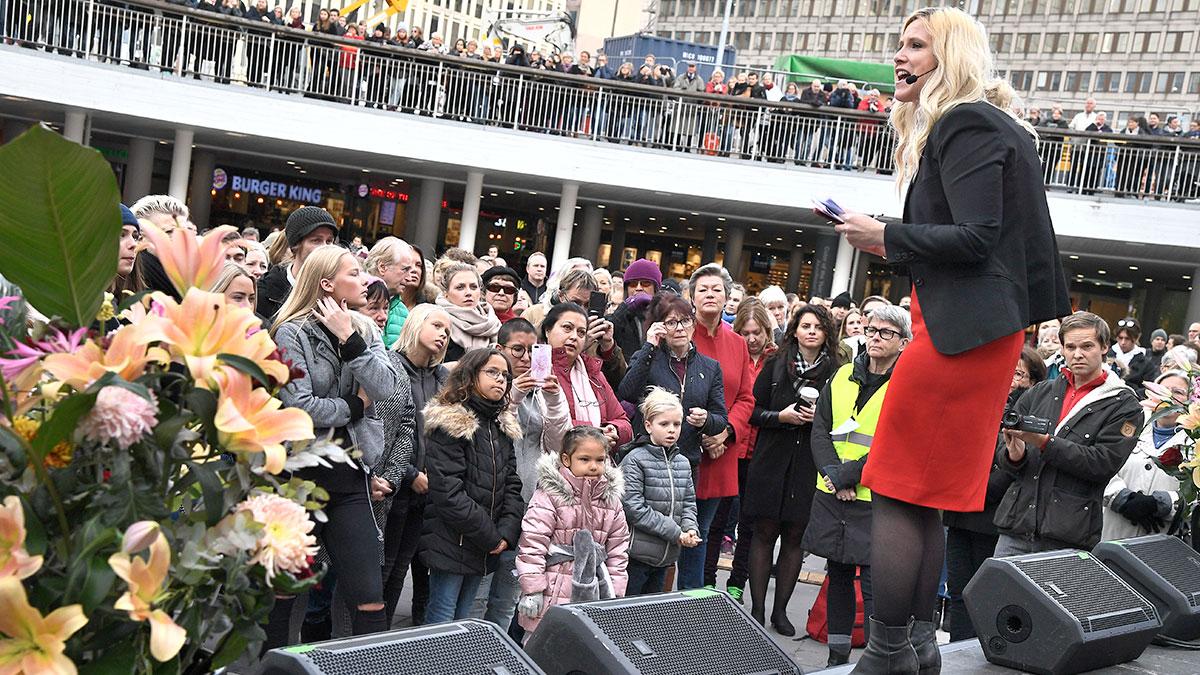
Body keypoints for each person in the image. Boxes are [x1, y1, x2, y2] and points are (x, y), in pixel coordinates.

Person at [833, 8, 1071, 671]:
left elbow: (976, 236)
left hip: (960, 337)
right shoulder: (994, 124)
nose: (899, 56)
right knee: (927, 496)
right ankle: (914, 647)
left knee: (894, 485)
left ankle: (886, 652)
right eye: (899, 44)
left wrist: (883, 234)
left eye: (916, 45)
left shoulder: (964, 121)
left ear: (951, 56)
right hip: (976, 333)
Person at [268, 246, 400, 645]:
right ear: (327, 284)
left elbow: (388, 389)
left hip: (350, 476)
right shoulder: (290, 331)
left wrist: (350, 339)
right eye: (355, 273)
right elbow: (301, 408)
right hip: (297, 478)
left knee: (369, 596)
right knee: (283, 593)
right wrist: (357, 405)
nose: (366, 281)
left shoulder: (365, 329)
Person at [805, 306, 910, 666]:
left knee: (874, 582)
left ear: (903, 343)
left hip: (874, 496)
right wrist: (835, 476)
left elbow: (898, 444)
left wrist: (850, 476)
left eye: (886, 332)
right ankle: (837, 656)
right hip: (834, 491)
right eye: (872, 329)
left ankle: (876, 658)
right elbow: (819, 429)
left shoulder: (906, 385)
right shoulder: (843, 374)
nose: (876, 337)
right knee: (837, 573)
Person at [994, 311, 1142, 558]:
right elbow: (1004, 451)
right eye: (1070, 346)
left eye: (1087, 346)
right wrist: (1014, 456)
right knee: (996, 596)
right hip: (1016, 525)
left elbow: (1102, 463)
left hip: (1068, 534)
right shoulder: (1041, 391)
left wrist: (1045, 443)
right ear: (1061, 349)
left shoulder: (1124, 403)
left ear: (1105, 347)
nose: (1077, 354)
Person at [743, 304, 840, 635]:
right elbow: (752, 411)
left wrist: (820, 422)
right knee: (764, 531)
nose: (811, 331)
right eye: (805, 325)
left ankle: (780, 612)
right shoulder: (775, 365)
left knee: (796, 536)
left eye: (818, 326)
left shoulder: (837, 372)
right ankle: (756, 608)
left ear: (827, 333)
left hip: (808, 463)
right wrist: (780, 417)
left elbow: (841, 420)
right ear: (794, 330)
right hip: (772, 459)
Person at [471, 318, 569, 640]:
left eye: (532, 351)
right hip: (493, 502)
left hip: (529, 501)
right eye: (518, 350)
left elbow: (559, 444)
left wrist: (554, 398)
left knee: (507, 596)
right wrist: (511, 396)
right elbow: (494, 427)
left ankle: (498, 658)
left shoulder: (538, 394)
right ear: (499, 350)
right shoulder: (489, 391)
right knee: (479, 594)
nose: (526, 358)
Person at [942, 345, 1045, 643]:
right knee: (960, 590)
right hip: (961, 510)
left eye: (1018, 373)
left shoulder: (1031, 412)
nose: (1010, 379)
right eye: (1007, 371)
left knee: (987, 595)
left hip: (997, 513)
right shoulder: (980, 401)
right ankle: (958, 649)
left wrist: (982, 489)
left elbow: (1019, 461)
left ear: (1032, 381)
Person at [420, 348, 524, 623]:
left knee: (465, 618)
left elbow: (512, 482)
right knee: (443, 616)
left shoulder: (501, 426)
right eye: (492, 372)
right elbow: (448, 493)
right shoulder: (453, 423)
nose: (501, 379)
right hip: (453, 539)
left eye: (505, 375)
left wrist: (506, 532)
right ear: (469, 376)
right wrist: (491, 536)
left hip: (485, 542)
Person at [515, 426, 630, 634]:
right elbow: (533, 543)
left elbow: (618, 550)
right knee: (540, 647)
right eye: (585, 459)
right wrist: (533, 590)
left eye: (600, 460)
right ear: (566, 460)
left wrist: (615, 591)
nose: (593, 466)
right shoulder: (549, 495)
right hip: (553, 586)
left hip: (594, 587)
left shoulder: (610, 501)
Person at [685, 265, 756, 593]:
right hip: (683, 447)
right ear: (692, 297)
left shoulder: (738, 343)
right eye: (703, 289)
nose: (710, 294)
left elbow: (745, 397)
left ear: (727, 297)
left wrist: (725, 432)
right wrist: (702, 435)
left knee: (702, 532)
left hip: (721, 452)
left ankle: (691, 608)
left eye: (717, 289)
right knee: (673, 535)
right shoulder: (681, 335)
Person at [383, 304, 452, 626]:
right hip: (392, 484)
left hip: (425, 490)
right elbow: (383, 429)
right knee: (381, 567)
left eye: (448, 331)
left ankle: (381, 641)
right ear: (415, 323)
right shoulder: (389, 365)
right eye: (437, 325)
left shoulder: (442, 378)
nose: (443, 334)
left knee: (400, 568)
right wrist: (409, 474)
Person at [617, 293, 729, 469]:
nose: (679, 328)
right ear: (659, 326)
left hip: (687, 462)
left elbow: (720, 419)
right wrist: (650, 346)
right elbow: (627, 393)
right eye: (671, 323)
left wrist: (705, 420)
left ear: (693, 324)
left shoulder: (710, 367)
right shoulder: (645, 357)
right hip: (646, 459)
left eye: (685, 321)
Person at [618, 387, 701, 595]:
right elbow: (634, 508)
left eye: (676, 424)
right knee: (629, 611)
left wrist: (690, 527)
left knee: (653, 612)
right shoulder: (635, 459)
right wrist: (675, 532)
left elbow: (689, 502)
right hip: (636, 555)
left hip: (667, 556)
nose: (671, 430)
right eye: (664, 424)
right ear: (648, 425)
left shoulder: (683, 462)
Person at [722, 299, 778, 602]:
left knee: (750, 521)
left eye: (757, 332)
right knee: (720, 518)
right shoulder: (732, 353)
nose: (752, 339)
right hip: (731, 445)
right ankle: (706, 582)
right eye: (745, 332)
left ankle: (737, 581)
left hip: (760, 450)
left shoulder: (776, 359)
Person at [1100, 370, 1189, 541]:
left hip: (1164, 540)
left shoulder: (1194, 441)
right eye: (1162, 391)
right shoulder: (1129, 424)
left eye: (1178, 392)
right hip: (1114, 533)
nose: (1169, 397)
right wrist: (1123, 499)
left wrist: (1160, 503)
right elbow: (1101, 463)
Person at [543, 303, 633, 448]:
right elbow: (542, 423)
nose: (574, 337)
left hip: (596, 464)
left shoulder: (593, 373)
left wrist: (613, 430)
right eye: (567, 328)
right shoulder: (537, 368)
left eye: (581, 332)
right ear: (547, 330)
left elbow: (623, 422)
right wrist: (595, 433)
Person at [258, 206, 338, 321]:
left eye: (329, 241)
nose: (325, 248)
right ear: (295, 246)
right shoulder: (264, 293)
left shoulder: (337, 292)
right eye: (316, 240)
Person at [436, 262, 501, 363]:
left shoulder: (493, 322)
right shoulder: (436, 320)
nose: (468, 293)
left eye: (473, 287)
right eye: (460, 287)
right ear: (446, 294)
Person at [364, 237, 417, 347]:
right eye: (405, 270)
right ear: (382, 267)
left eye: (385, 308)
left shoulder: (404, 313)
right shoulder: (353, 301)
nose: (409, 278)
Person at [609, 259, 663, 363]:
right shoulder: (622, 316)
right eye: (633, 284)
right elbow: (608, 330)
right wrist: (626, 306)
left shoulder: (663, 314)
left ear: (655, 288)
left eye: (645, 283)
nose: (638, 288)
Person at [1109, 317, 1156, 394]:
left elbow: (1147, 390)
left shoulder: (1146, 365)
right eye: (1120, 338)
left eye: (1127, 338)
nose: (1123, 342)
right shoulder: (1105, 356)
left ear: (1136, 337)